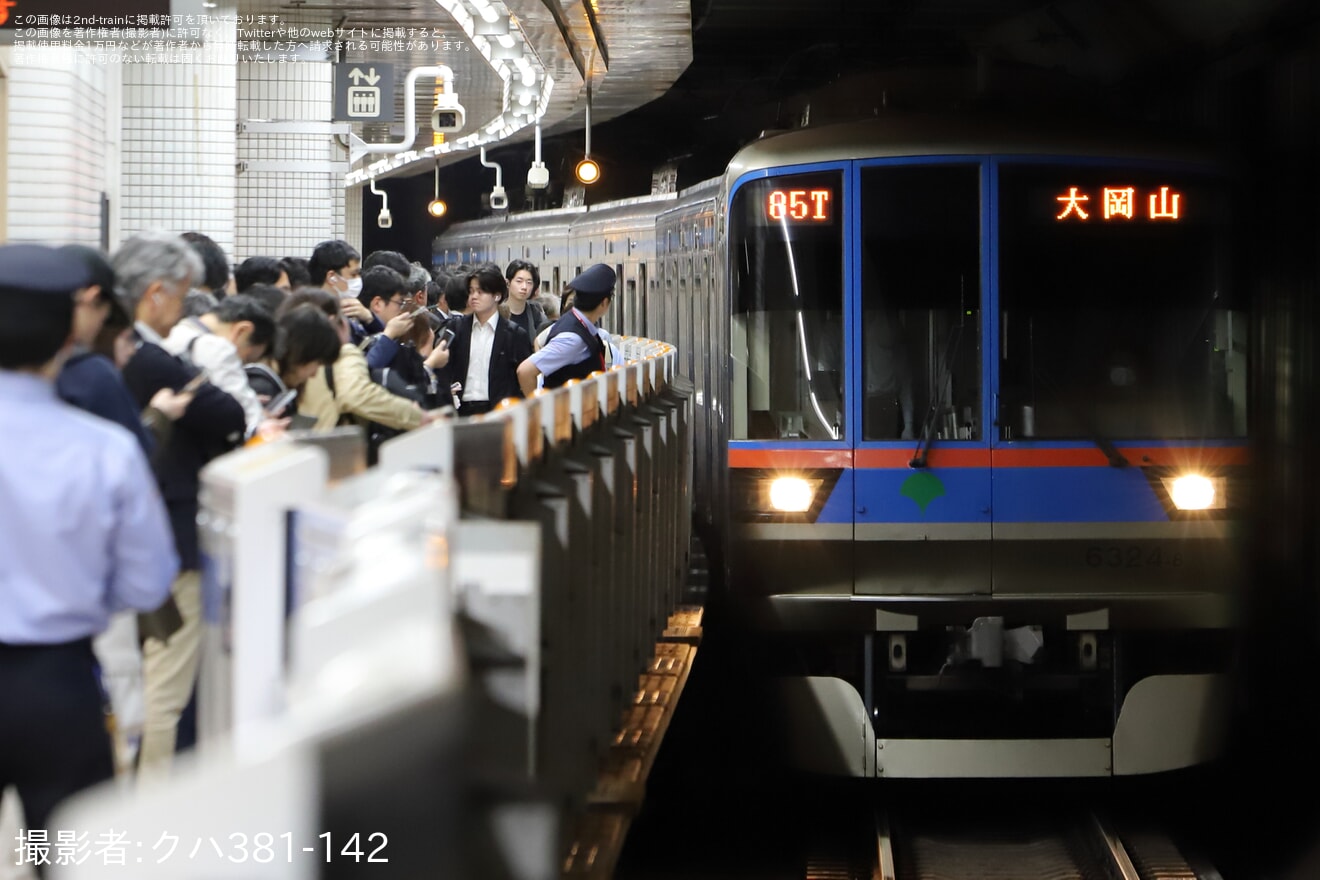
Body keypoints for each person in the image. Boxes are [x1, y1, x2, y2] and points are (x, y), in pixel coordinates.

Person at [0, 243, 178, 839]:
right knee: (68, 851)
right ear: (66, 338)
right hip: (57, 681)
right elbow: (147, 582)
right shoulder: (104, 449)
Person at [432, 263, 532, 416]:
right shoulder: (456, 328)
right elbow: (441, 368)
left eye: (480, 291)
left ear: (497, 296)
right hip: (461, 410)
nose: (474, 297)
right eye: (471, 291)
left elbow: (523, 375)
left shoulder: (515, 334)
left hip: (500, 412)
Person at [518, 263, 621, 394]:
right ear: (604, 303)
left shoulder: (578, 325)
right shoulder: (572, 338)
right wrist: (539, 410)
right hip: (565, 412)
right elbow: (525, 371)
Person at [503, 259, 547, 341]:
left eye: (529, 282)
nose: (524, 287)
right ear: (508, 283)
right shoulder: (497, 312)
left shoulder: (536, 315)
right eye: (519, 281)